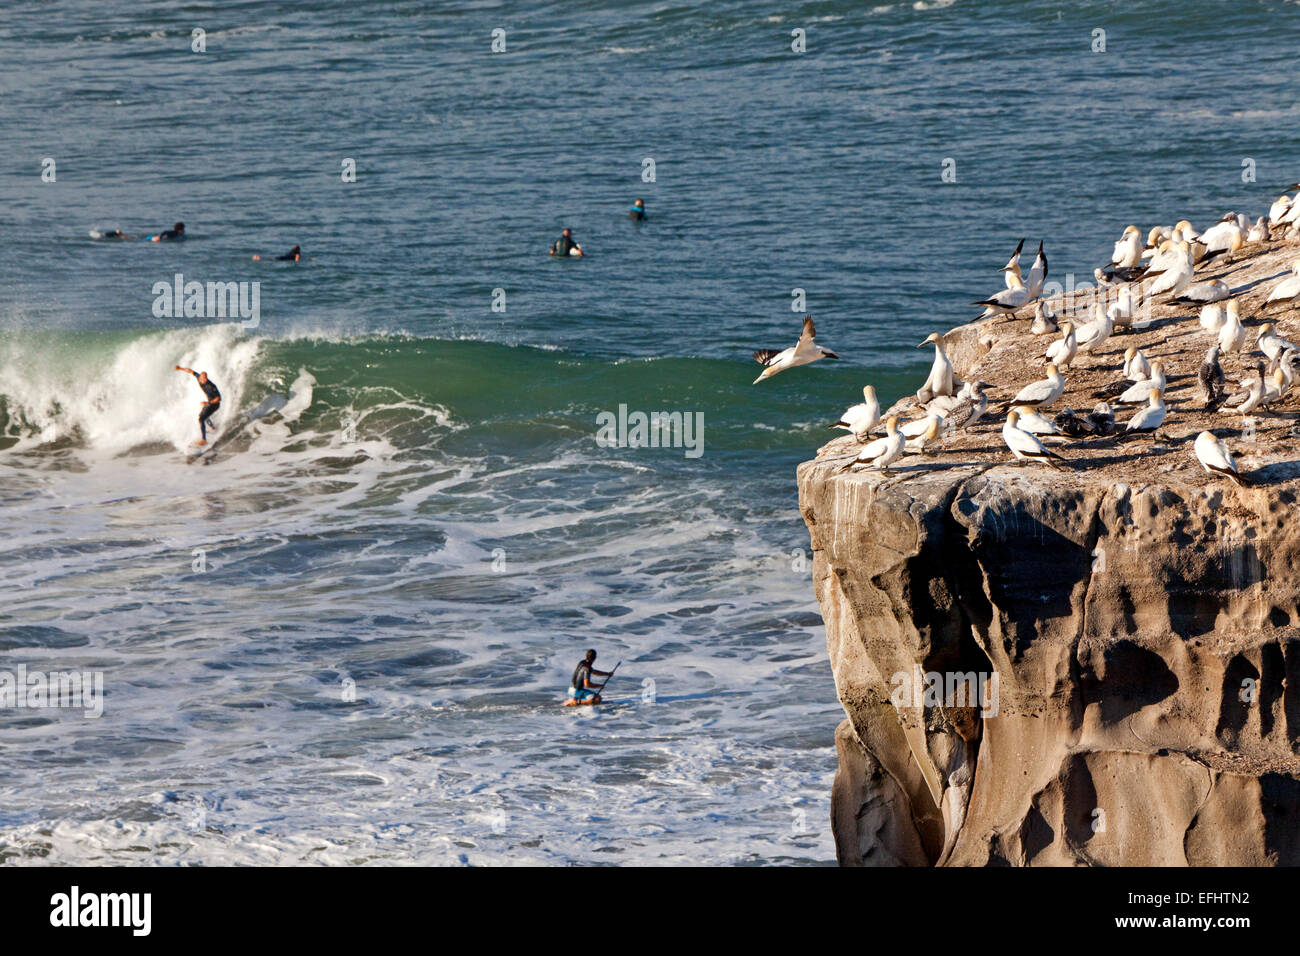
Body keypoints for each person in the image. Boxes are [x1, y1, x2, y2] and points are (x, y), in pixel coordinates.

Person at [173, 365, 221, 444]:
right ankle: (213, 428)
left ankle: (203, 440)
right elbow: (191, 371)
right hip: (210, 403)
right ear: (201, 378)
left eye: (206, 378)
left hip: (215, 404)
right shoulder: (199, 378)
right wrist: (180, 368)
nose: (204, 380)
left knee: (201, 418)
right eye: (203, 378)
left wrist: (208, 403)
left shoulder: (211, 386)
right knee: (204, 414)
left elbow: (219, 398)